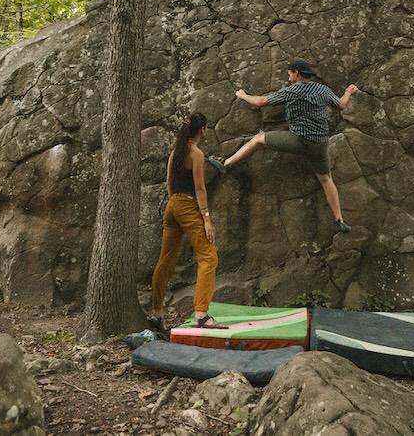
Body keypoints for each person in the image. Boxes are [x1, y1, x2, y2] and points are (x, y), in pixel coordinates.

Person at [222, 58, 358, 233]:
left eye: (289, 73)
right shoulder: (322, 90)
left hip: (299, 141)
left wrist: (243, 96)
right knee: (325, 179)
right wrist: (348, 91)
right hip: (320, 143)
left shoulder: (293, 91)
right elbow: (341, 105)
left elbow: (261, 102)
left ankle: (226, 164)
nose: (288, 77)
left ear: (297, 73)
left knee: (258, 139)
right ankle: (339, 220)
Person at [149, 113, 227, 332]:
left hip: (172, 206)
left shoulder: (176, 152)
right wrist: (207, 219)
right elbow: (200, 189)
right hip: (188, 206)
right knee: (208, 257)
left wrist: (175, 202)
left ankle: (157, 313)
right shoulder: (196, 154)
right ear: (202, 130)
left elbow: (169, 182)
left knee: (165, 260)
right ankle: (202, 315)